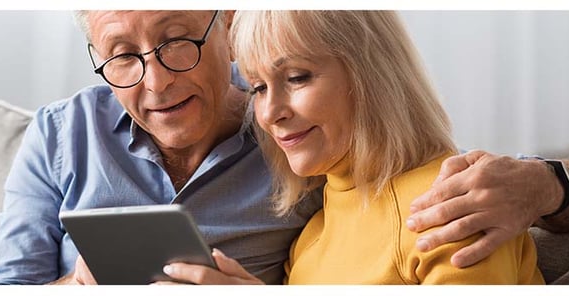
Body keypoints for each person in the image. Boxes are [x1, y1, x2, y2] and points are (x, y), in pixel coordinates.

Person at [0, 10, 569, 285]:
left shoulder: (310, 150)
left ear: (222, 25)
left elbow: (445, 176)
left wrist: (550, 181)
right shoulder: (61, 132)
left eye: (177, 41)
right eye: (121, 56)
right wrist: (84, 285)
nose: (158, 79)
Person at [163, 10, 545, 284]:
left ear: (371, 74)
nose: (270, 113)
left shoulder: (451, 207)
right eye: (259, 87)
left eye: (296, 77)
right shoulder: (312, 232)